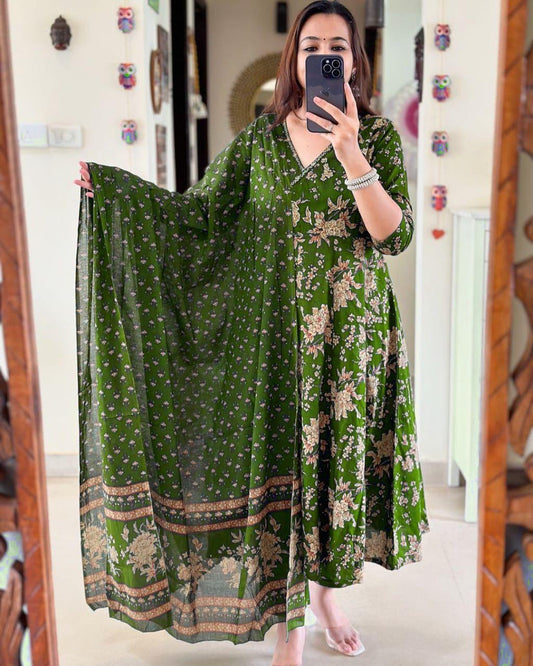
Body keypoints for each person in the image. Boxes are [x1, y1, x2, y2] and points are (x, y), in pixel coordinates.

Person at [73, 2, 430, 665]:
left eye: (337, 47)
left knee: (334, 471)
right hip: (272, 337)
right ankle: (288, 628)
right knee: (282, 473)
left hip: (350, 338)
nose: (324, 56)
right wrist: (119, 194)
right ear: (295, 57)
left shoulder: (376, 136)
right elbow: (198, 215)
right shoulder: (260, 142)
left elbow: (394, 236)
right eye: (312, 46)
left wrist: (350, 151)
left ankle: (325, 598)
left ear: (354, 61)